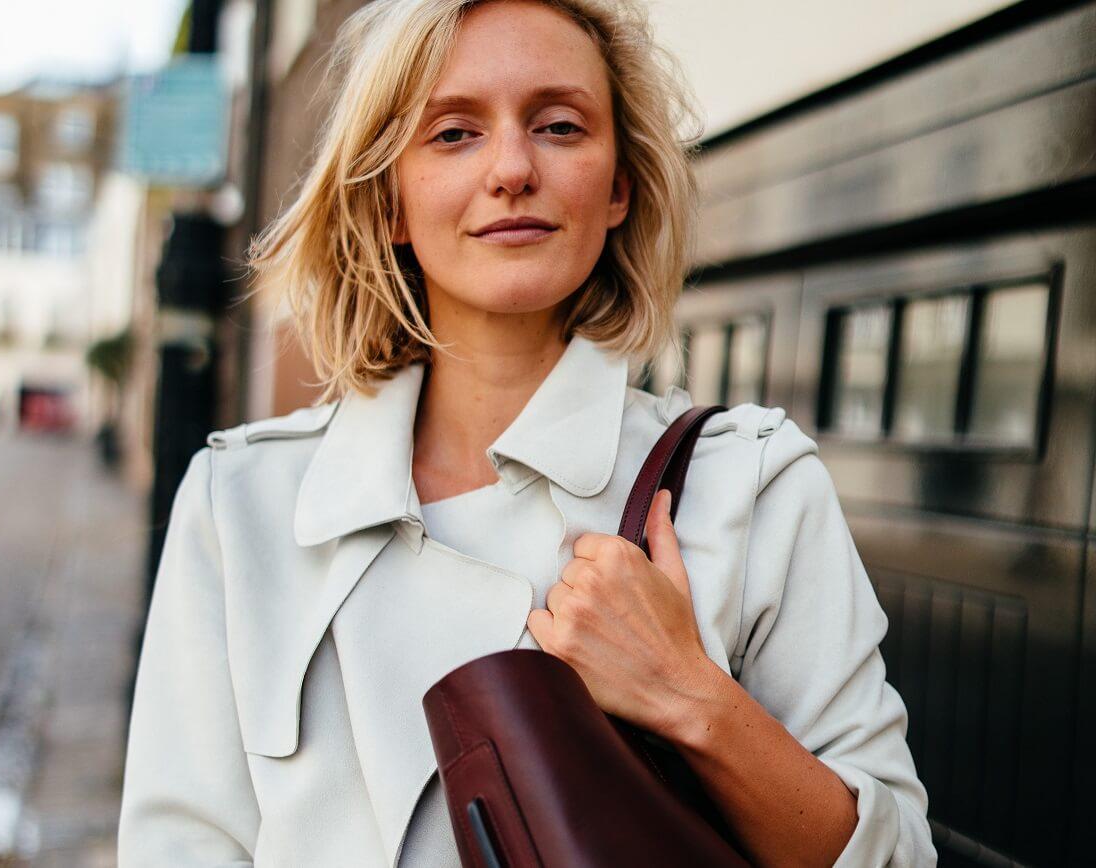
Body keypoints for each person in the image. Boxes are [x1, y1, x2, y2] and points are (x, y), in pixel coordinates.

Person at [117, 0, 936, 865]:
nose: (511, 168)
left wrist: (689, 697)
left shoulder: (754, 486)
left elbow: (897, 857)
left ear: (618, 185)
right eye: (453, 134)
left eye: (558, 125)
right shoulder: (241, 503)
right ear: (389, 197)